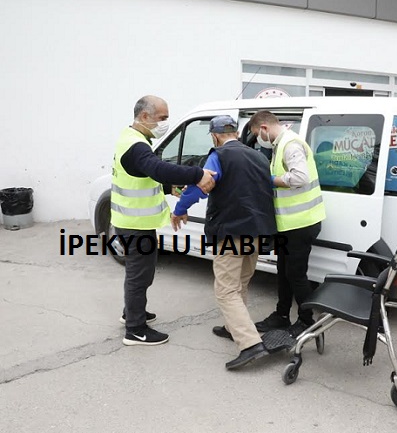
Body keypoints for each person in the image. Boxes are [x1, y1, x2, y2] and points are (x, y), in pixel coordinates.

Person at [170, 115, 277, 369]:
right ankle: (233, 327)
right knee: (240, 281)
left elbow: (201, 185)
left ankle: (250, 344)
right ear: (237, 134)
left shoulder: (219, 155)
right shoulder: (260, 156)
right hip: (257, 231)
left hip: (231, 232)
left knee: (226, 289)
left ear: (215, 135)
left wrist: (179, 209)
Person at [112, 95, 216, 347]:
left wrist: (170, 188)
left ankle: (132, 313)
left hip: (133, 222)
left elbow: (145, 176)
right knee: (139, 275)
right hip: (134, 225)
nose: (165, 123)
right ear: (145, 116)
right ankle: (135, 330)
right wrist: (198, 173)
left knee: (140, 273)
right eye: (163, 118)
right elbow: (157, 169)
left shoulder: (132, 138)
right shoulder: (137, 146)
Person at [248, 111, 326, 338]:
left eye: (256, 135)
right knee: (283, 271)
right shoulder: (280, 145)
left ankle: (307, 322)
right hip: (288, 224)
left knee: (296, 274)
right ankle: (281, 316)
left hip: (301, 223)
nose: (258, 140)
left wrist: (270, 181)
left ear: (264, 128)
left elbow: (299, 177)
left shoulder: (290, 144)